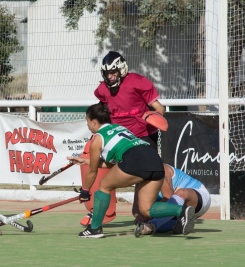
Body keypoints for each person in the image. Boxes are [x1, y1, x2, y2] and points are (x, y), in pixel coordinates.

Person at [67, 103, 196, 238]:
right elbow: (121, 164)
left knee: (104, 186)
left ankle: (94, 229)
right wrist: (86, 161)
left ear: (93, 122)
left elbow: (93, 172)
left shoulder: (98, 139)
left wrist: (85, 191)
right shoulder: (119, 128)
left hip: (135, 161)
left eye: (87, 121)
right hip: (155, 160)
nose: (87, 125)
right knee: (146, 210)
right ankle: (182, 210)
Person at [79, 51, 168, 225]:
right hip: (119, 139)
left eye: (114, 73)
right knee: (97, 166)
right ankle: (99, 212)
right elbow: (104, 109)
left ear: (122, 70)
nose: (110, 77)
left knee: (144, 177)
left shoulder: (138, 82)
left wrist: (151, 118)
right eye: (107, 74)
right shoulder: (102, 90)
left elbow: (160, 109)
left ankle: (146, 212)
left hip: (143, 137)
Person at [133, 164, 211, 236]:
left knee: (180, 193)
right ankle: (177, 224)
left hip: (199, 197)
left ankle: (153, 225)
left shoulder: (161, 169)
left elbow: (169, 198)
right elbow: (136, 210)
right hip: (176, 210)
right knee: (156, 225)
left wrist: (149, 214)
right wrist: (140, 217)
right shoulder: (139, 181)